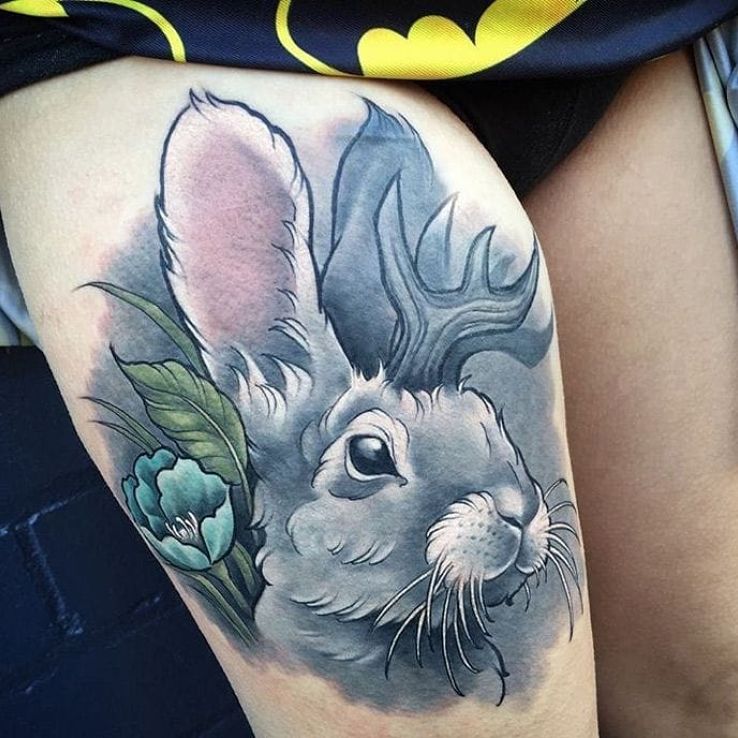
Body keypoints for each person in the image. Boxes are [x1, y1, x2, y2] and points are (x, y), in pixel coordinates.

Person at [1, 3, 736, 736]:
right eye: (370, 455)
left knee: (708, 686)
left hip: (577, 28)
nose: (519, 506)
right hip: (167, 31)